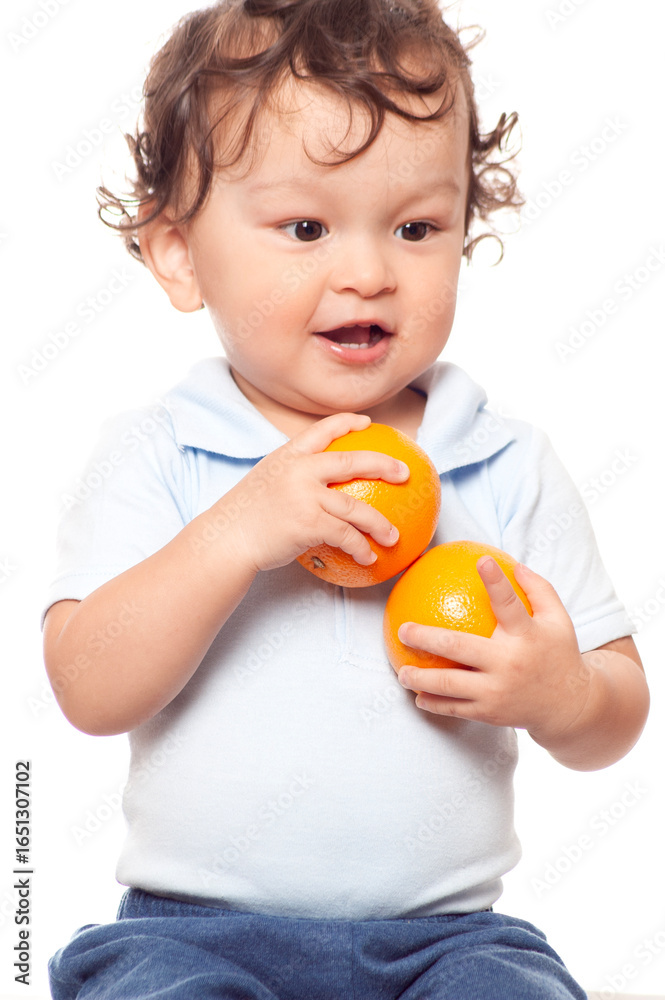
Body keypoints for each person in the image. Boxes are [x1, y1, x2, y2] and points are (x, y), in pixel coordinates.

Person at [43, 0, 649, 996]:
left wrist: (563, 694)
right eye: (305, 227)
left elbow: (616, 710)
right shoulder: (162, 452)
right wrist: (236, 532)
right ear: (178, 252)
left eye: (415, 226)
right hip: (192, 936)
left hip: (446, 942)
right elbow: (85, 687)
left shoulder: (500, 460)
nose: (367, 272)